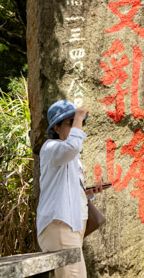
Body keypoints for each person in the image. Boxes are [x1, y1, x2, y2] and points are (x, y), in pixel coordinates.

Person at [36, 100, 108, 278]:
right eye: (70, 122)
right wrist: (79, 115)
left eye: (78, 122)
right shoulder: (51, 148)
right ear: (56, 128)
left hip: (71, 227)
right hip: (60, 225)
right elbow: (73, 146)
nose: (77, 126)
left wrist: (88, 193)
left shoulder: (73, 158)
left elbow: (69, 192)